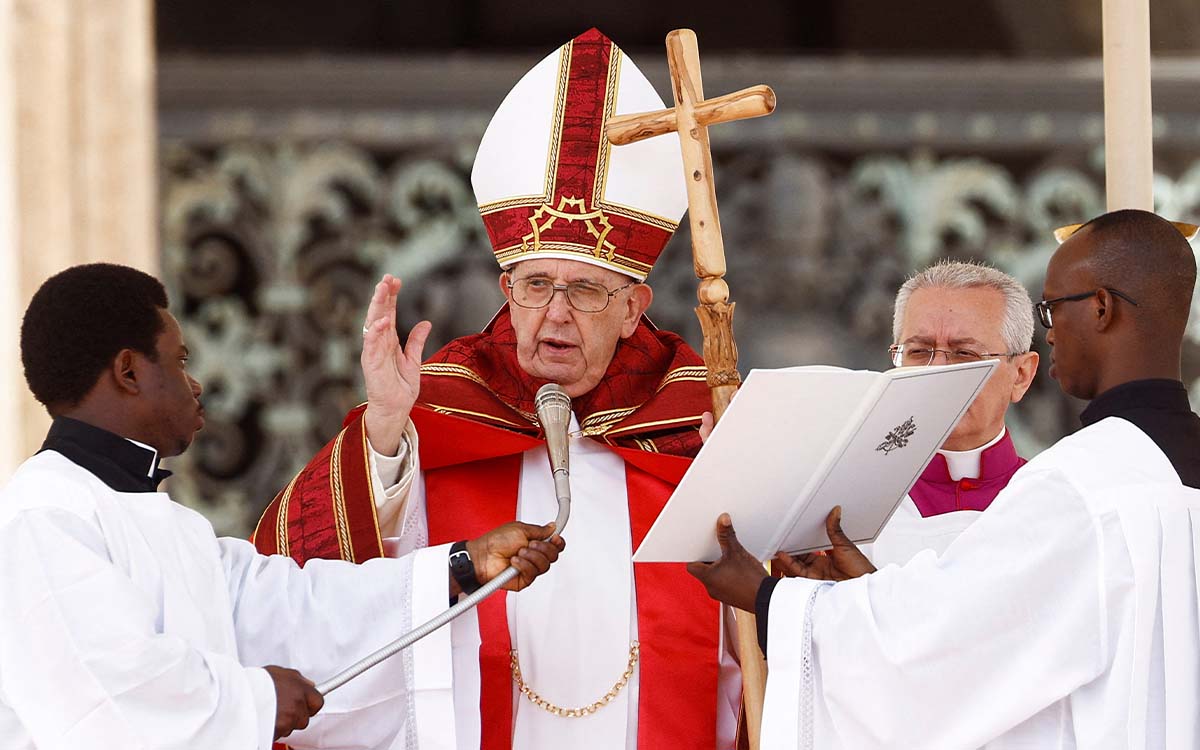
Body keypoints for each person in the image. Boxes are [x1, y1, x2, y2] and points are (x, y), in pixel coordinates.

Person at [253, 28, 737, 750]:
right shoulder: (442, 408)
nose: (555, 314)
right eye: (535, 286)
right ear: (506, 290)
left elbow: (771, 638)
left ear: (634, 308)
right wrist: (384, 430)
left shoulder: (697, 427)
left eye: (585, 290)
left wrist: (751, 505)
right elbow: (308, 595)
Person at [689, 208, 1200, 749]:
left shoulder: (1080, 485)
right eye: (918, 351)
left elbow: (949, 647)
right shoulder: (1162, 469)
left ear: (1099, 309)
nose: (937, 373)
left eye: (1051, 311)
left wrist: (770, 600)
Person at [0, 263, 563, 750]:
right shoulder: (46, 514)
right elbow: (108, 694)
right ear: (128, 372)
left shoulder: (164, 523)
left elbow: (295, 608)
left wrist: (462, 566)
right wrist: (258, 700)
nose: (195, 385)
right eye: (178, 360)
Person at [866, 260, 1038, 565]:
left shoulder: (1053, 506)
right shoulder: (847, 507)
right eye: (918, 351)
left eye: (964, 353)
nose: (938, 372)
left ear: (1021, 374)